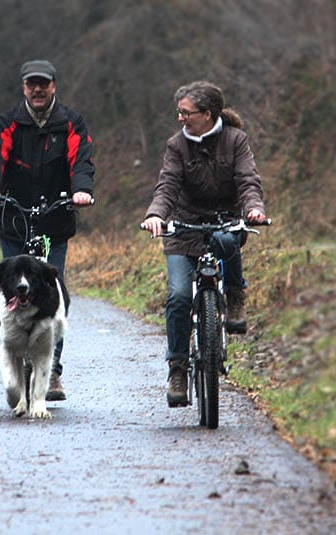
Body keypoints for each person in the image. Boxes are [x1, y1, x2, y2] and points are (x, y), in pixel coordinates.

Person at [140, 80, 267, 407]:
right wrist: (156, 215)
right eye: (179, 112)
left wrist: (254, 209)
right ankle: (178, 368)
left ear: (207, 114)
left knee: (227, 240)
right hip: (183, 226)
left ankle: (235, 293)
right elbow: (167, 186)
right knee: (180, 295)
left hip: (225, 219)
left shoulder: (236, 141)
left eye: (186, 113)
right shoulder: (176, 145)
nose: (180, 118)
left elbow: (248, 180)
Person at [0, 59, 95, 402]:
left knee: (53, 289)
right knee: (12, 288)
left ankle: (52, 369)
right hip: (14, 216)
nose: (38, 89)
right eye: (32, 84)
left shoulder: (71, 122)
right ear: (24, 88)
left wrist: (82, 189)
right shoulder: (8, 121)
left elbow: (82, 160)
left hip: (54, 219)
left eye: (44, 83)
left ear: (54, 86)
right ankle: (13, 359)